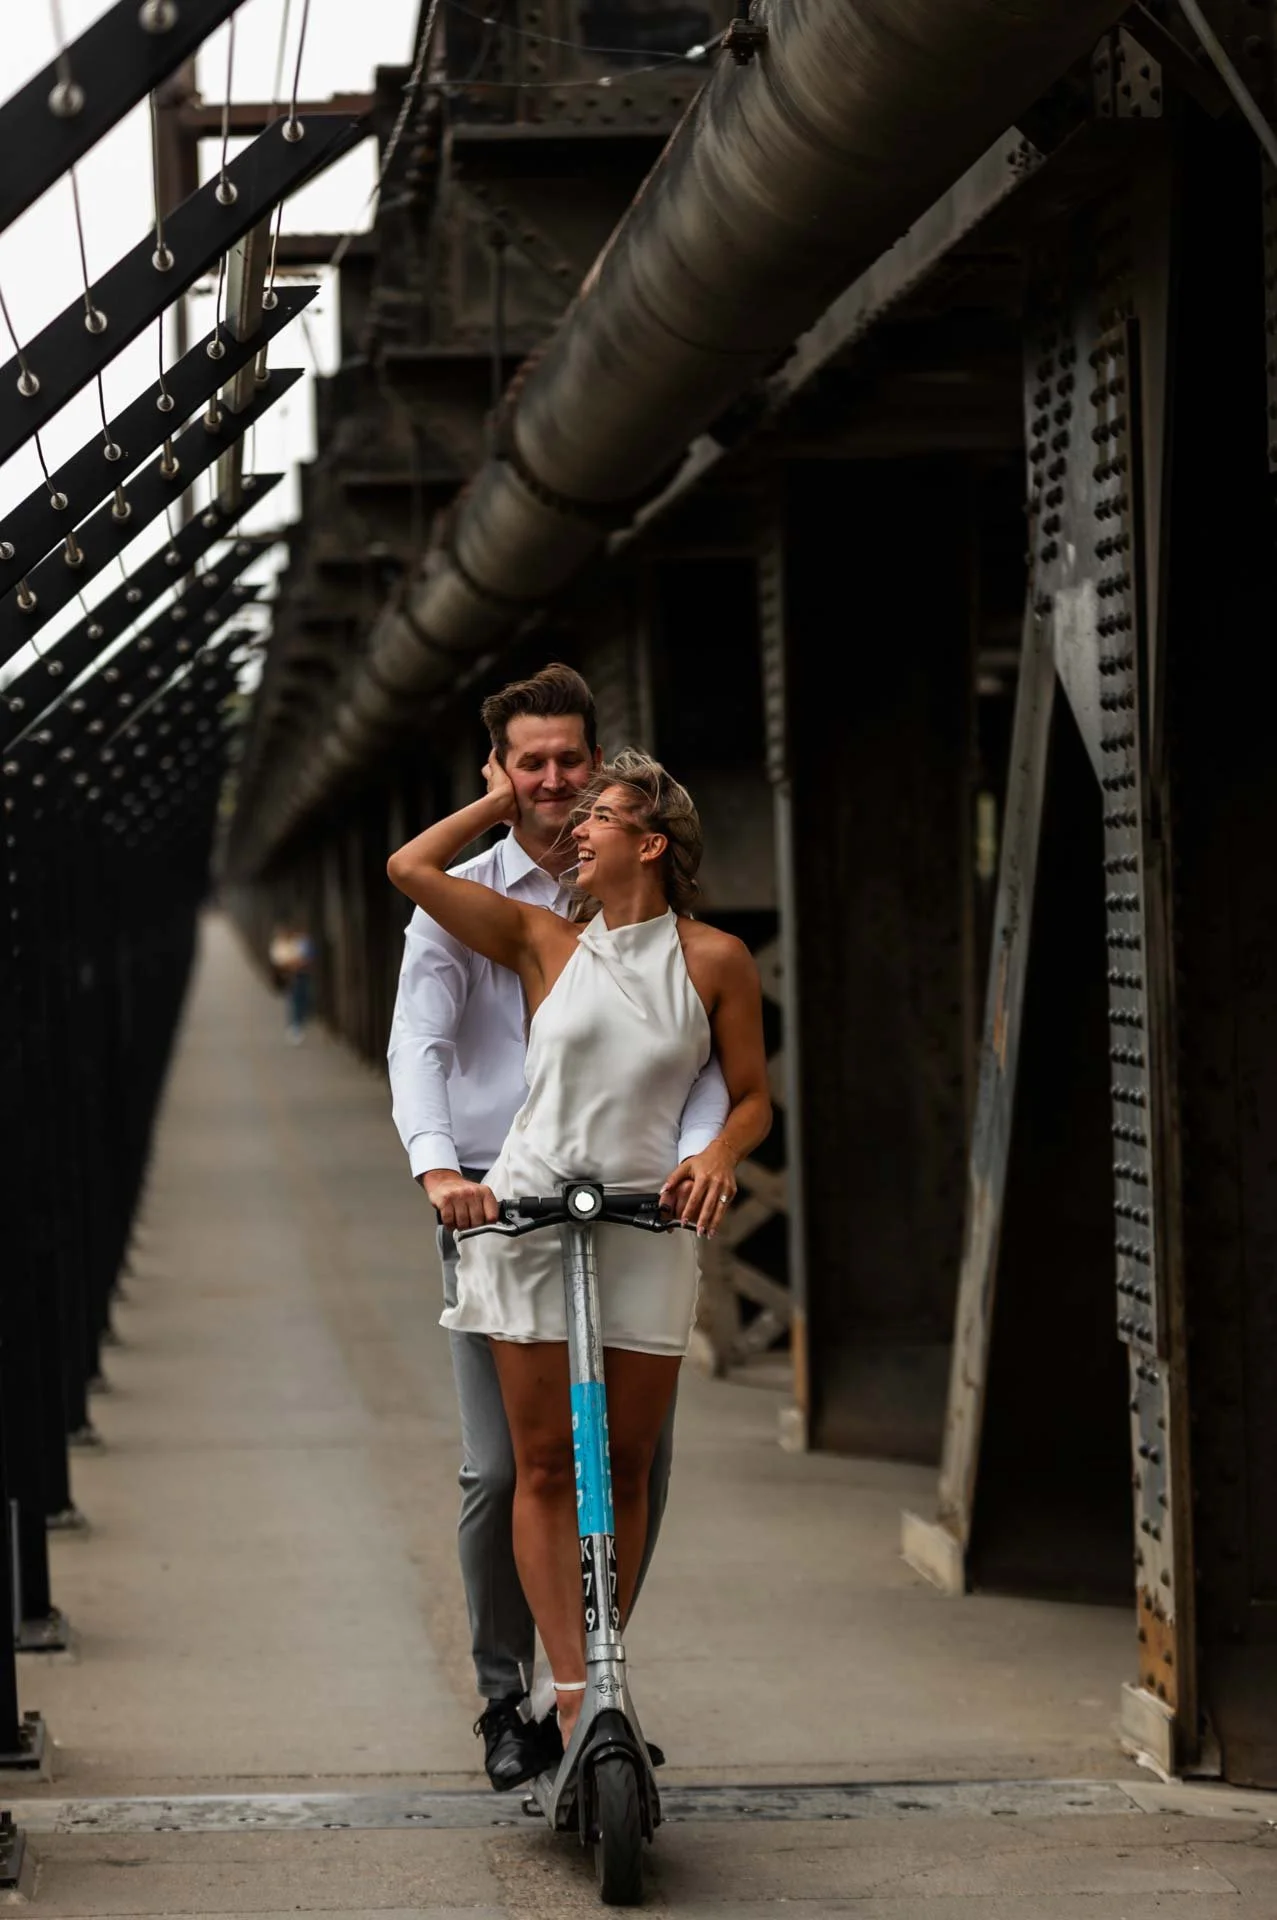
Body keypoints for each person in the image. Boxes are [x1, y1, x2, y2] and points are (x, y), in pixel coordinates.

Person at [387, 743, 771, 1752]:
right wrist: (489, 803)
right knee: (544, 1468)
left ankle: (606, 1673)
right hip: (525, 1220)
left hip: (645, 1227)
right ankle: (569, 1695)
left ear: (647, 842)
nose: (575, 828)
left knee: (630, 1468)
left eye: (596, 814)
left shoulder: (715, 961)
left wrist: (721, 1155)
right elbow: (409, 872)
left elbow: (752, 1098)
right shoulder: (543, 941)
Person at [269, 921, 315, 1044]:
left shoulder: (297, 941)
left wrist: (297, 963)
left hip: (301, 974)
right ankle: (295, 1026)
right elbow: (280, 961)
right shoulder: (279, 944)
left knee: (303, 998)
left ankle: (299, 1022)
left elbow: (305, 957)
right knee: (294, 1000)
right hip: (290, 977)